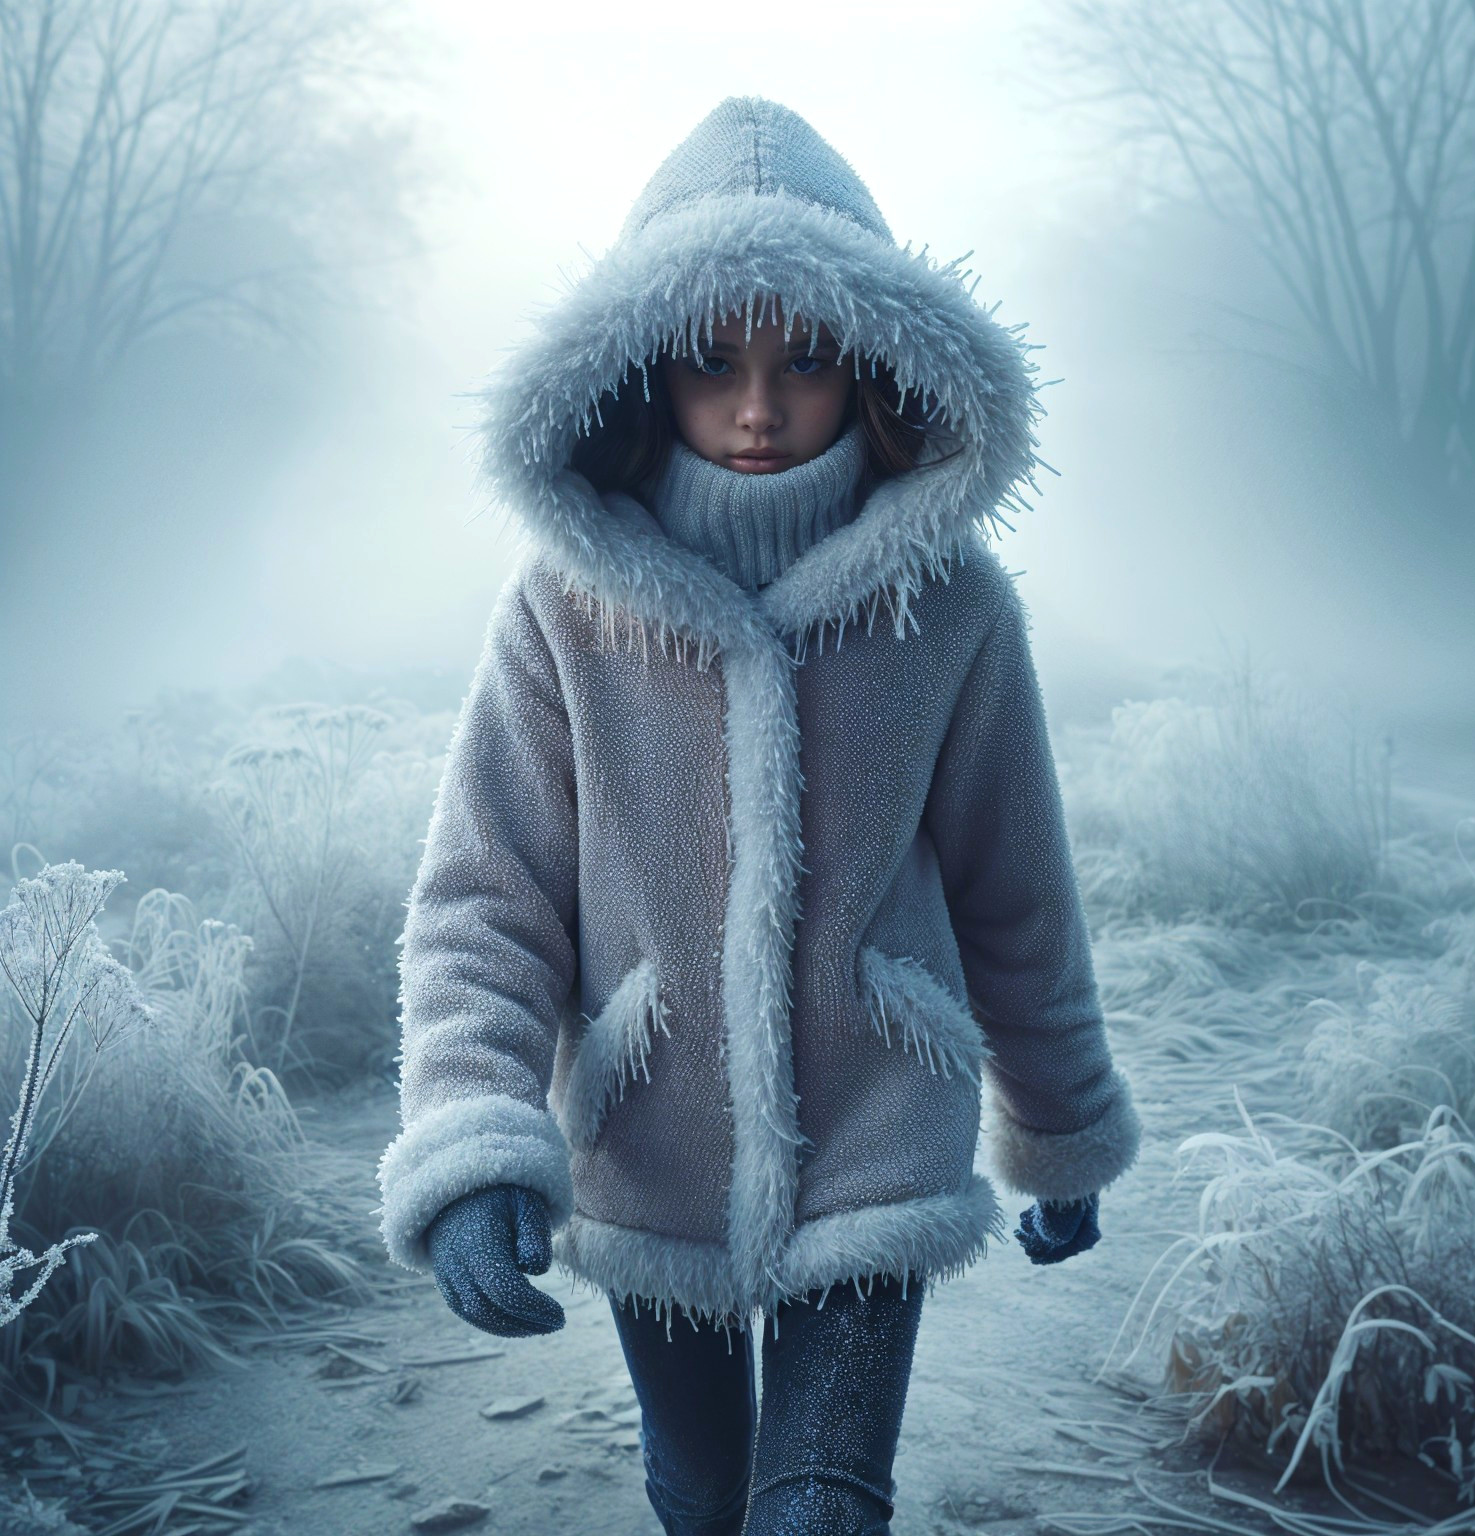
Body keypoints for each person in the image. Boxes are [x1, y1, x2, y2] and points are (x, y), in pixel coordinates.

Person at [376, 96, 1142, 1536]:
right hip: (644, 1139)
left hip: (879, 1130)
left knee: (820, 1506)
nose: (757, 408)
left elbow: (1018, 893)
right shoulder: (562, 612)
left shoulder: (951, 607)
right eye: (713, 361)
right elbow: (487, 900)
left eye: (804, 359)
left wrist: (1062, 1124)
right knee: (703, 1491)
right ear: (642, 366)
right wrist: (475, 1134)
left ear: (874, 360)